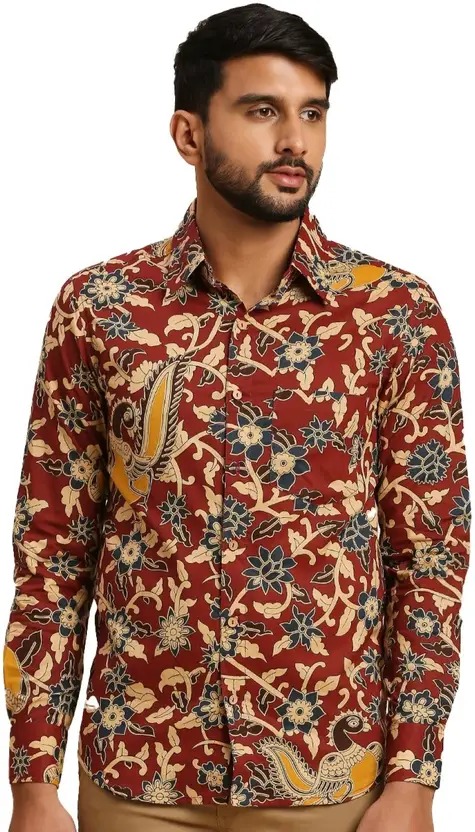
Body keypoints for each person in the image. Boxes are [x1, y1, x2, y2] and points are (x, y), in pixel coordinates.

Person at [3, 4, 471, 832]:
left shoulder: (393, 313)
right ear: (189, 134)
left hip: (332, 785)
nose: (294, 140)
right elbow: (54, 552)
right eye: (262, 111)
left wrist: (414, 780)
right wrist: (34, 780)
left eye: (312, 114)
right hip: (139, 780)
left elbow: (428, 559)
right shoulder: (100, 308)